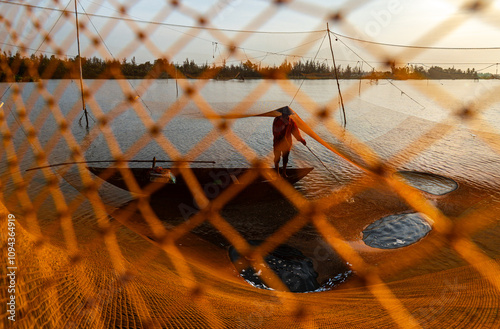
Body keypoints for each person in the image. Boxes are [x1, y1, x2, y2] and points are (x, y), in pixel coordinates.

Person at [272, 107, 306, 177]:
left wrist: (302, 140)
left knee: (285, 158)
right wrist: (281, 137)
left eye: (288, 114)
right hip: (278, 142)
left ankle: (284, 173)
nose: (286, 116)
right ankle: (277, 174)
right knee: (277, 158)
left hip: (287, 143)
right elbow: (274, 130)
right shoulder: (277, 119)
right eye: (285, 114)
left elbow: (296, 133)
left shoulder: (291, 122)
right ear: (282, 113)